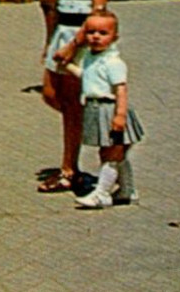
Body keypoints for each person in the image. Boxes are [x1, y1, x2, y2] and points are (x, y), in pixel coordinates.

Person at [38, 0, 110, 194]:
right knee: (50, 94)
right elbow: (62, 2)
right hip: (62, 34)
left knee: (70, 105)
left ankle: (70, 169)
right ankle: (79, 133)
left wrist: (73, 47)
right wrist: (52, 40)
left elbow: (98, 11)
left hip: (82, 40)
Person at [55, 11, 143, 208]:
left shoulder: (113, 62)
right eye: (91, 32)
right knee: (115, 154)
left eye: (103, 33)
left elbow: (121, 89)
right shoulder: (91, 57)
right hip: (95, 109)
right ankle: (127, 190)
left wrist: (119, 116)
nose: (95, 36)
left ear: (115, 37)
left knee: (110, 154)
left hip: (110, 110)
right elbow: (87, 76)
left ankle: (102, 193)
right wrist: (67, 66)